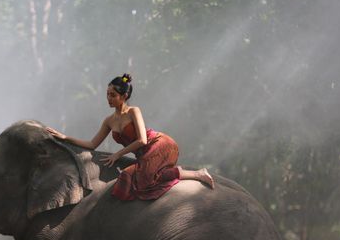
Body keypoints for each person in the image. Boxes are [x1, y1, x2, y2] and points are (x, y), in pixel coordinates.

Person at [46, 73, 214, 201]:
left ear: (124, 96)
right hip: (144, 154)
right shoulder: (109, 121)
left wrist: (118, 154)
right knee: (128, 177)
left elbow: (142, 140)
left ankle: (197, 174)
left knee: (143, 179)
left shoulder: (134, 111)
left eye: (113, 95)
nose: (109, 98)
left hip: (160, 144)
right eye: (107, 94)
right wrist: (65, 137)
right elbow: (92, 144)